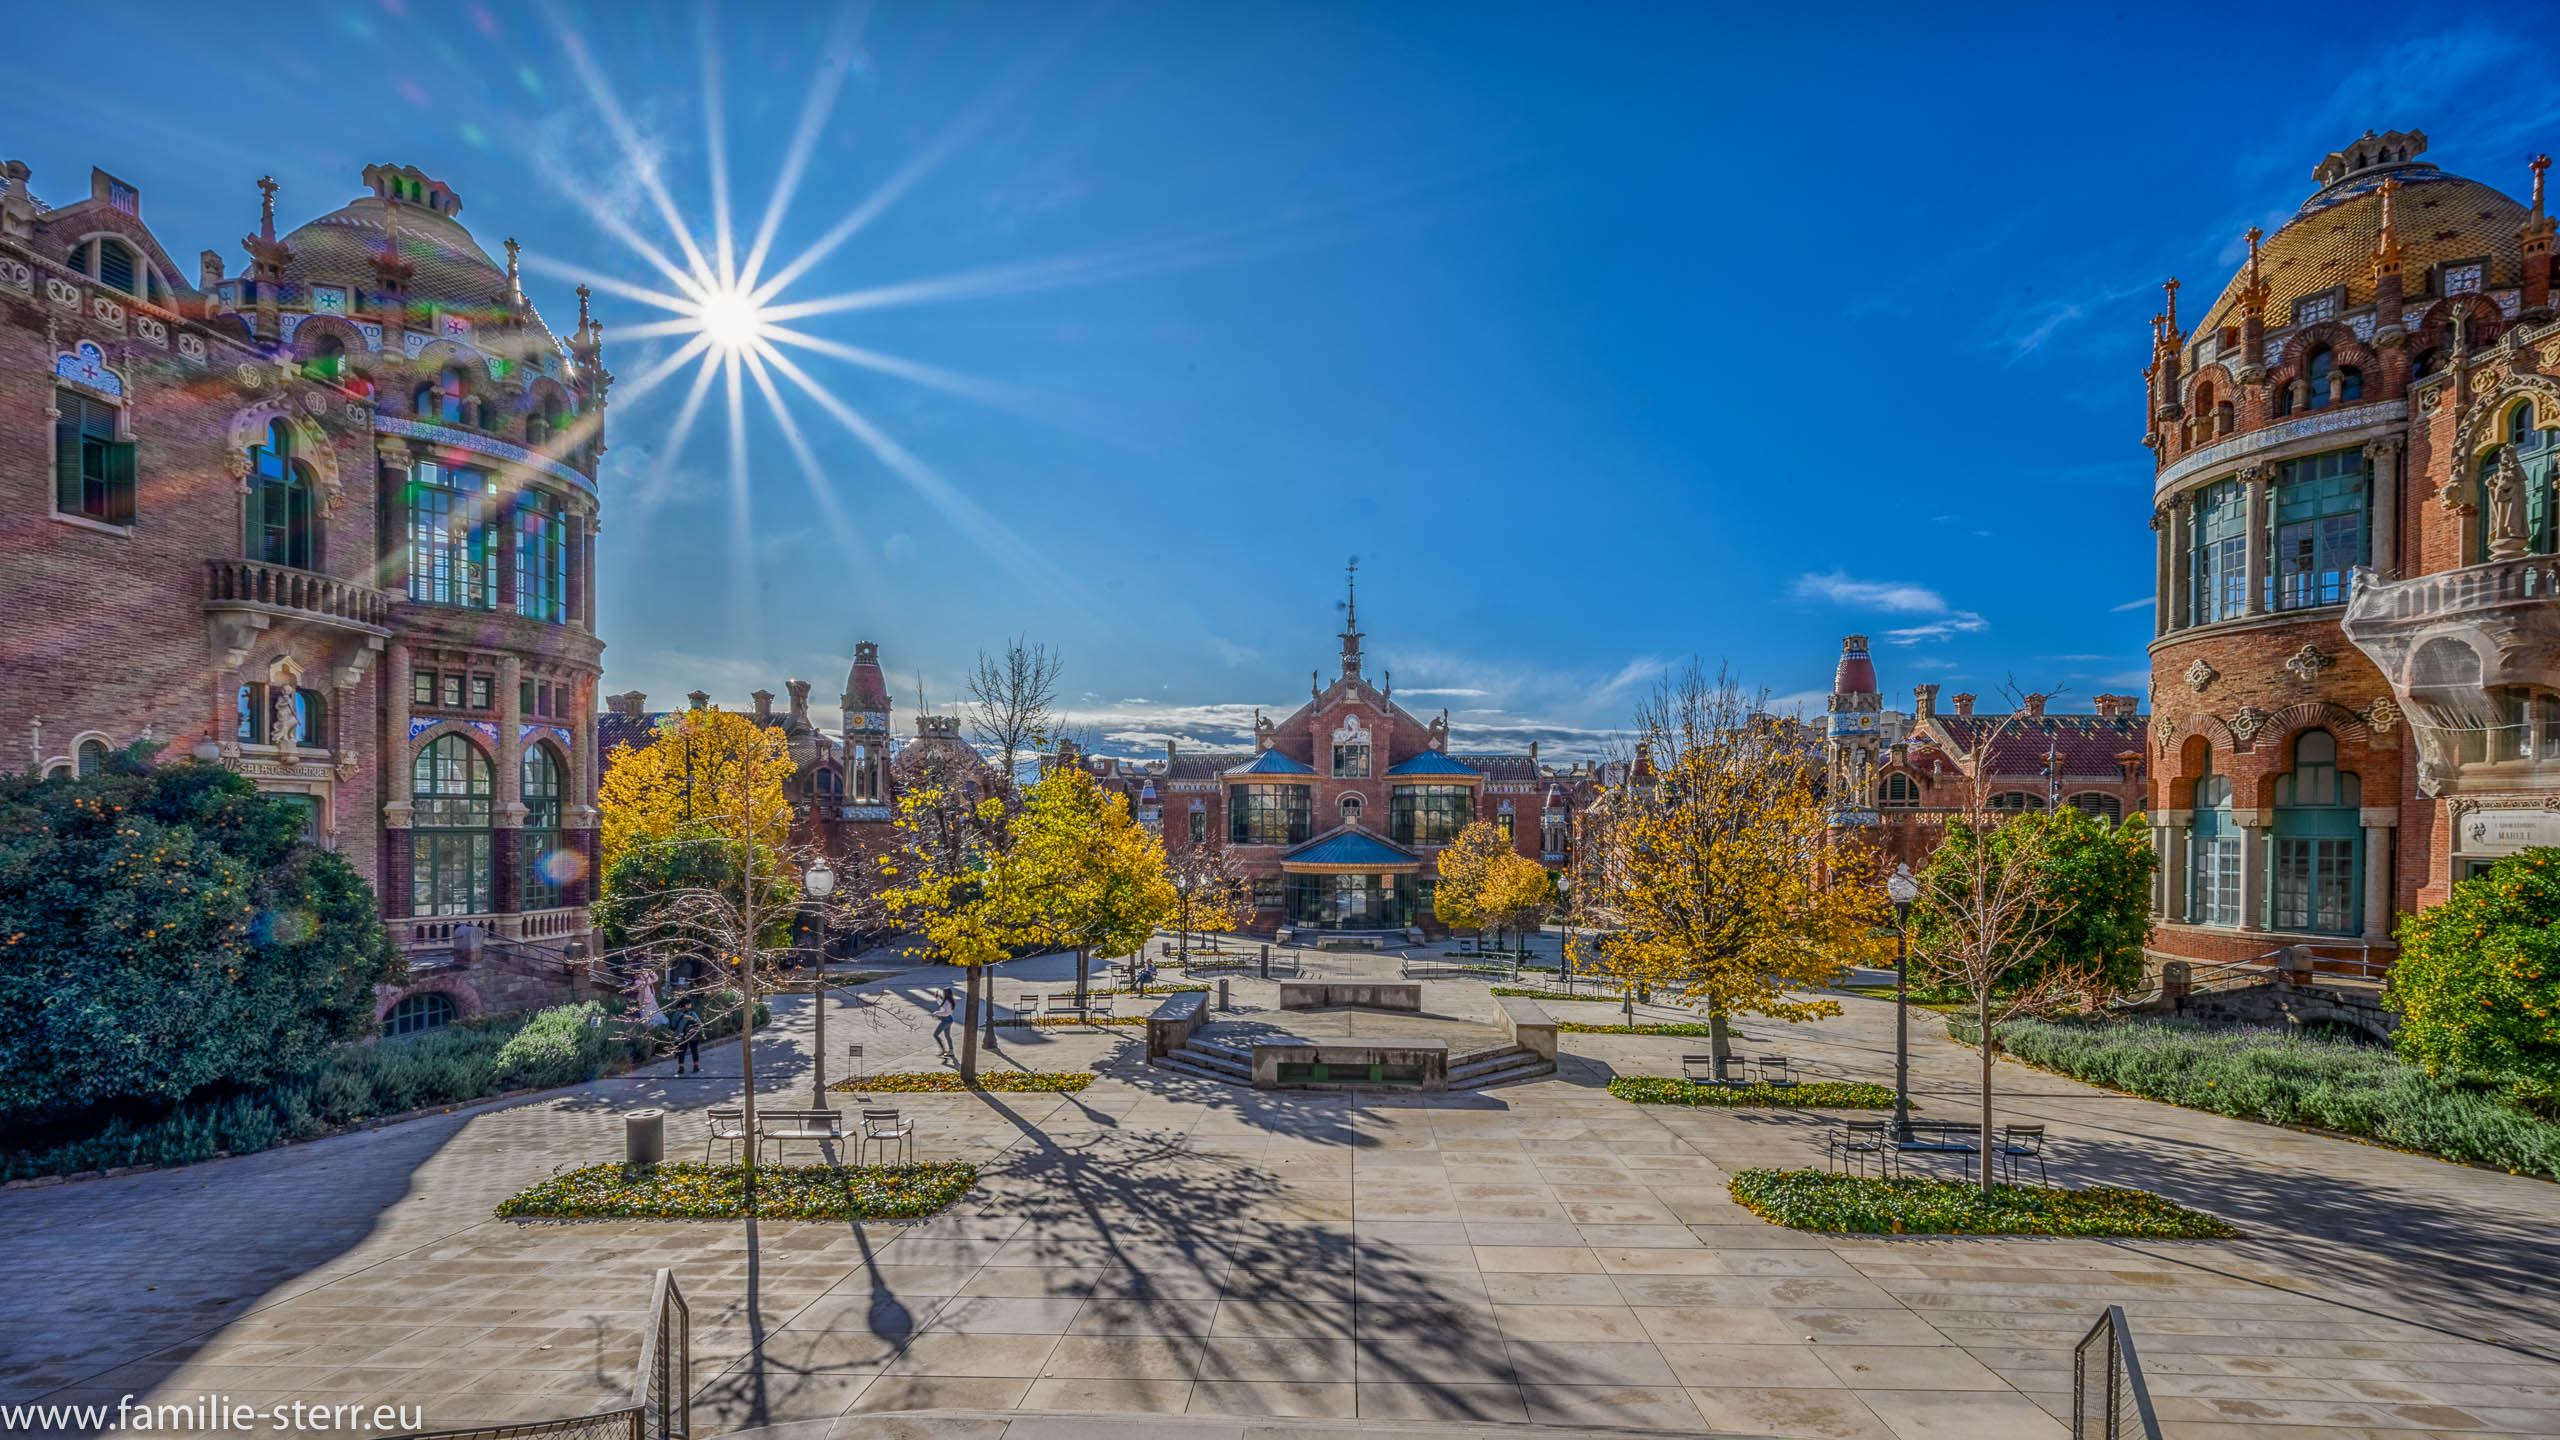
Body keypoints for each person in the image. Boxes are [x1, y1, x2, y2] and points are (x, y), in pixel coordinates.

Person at [669, 997, 703, 1075]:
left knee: (681, 1051)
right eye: (689, 1003)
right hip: (692, 1035)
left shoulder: (676, 1014)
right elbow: (699, 1023)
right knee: (694, 1050)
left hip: (681, 1035)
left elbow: (673, 1025)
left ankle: (681, 1068)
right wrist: (702, 1033)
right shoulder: (692, 1013)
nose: (690, 1004)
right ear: (686, 1005)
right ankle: (696, 1066)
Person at [931, 986, 958, 1058]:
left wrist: (936, 1013)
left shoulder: (947, 1001)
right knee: (947, 1036)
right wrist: (937, 998)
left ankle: (943, 1050)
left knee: (935, 1034)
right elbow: (942, 1005)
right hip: (948, 1019)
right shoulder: (949, 1001)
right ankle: (951, 1051)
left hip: (946, 1020)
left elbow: (946, 1012)